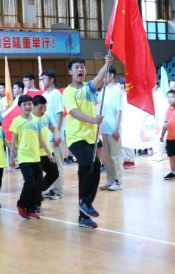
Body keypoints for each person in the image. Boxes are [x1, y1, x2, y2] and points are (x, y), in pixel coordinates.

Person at [63, 55, 113, 229]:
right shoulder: (68, 92)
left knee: (90, 170)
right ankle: (85, 203)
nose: (80, 70)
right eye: (76, 67)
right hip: (76, 137)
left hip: (90, 137)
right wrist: (93, 120)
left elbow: (99, 78)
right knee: (90, 163)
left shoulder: (88, 89)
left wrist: (106, 65)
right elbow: (74, 112)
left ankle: (83, 214)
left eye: (82, 67)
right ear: (70, 71)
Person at [10, 95, 50, 220]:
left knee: (37, 184)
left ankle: (31, 209)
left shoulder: (36, 120)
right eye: (24, 104)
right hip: (24, 157)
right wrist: (11, 158)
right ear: (20, 106)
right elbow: (13, 141)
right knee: (29, 182)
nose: (27, 106)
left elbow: (41, 138)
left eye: (29, 104)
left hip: (36, 157)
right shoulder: (16, 121)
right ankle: (21, 204)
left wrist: (49, 153)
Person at [97, 66, 125, 191]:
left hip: (113, 128)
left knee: (116, 156)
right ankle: (110, 180)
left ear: (112, 75)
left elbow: (119, 110)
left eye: (106, 74)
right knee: (107, 157)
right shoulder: (103, 90)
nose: (104, 76)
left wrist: (117, 128)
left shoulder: (118, 91)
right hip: (105, 127)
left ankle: (118, 182)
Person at [32, 95, 61, 212]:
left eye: (44, 108)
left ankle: (37, 191)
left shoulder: (45, 117)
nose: (43, 110)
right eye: (40, 108)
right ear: (33, 107)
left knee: (54, 173)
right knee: (37, 178)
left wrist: (56, 133)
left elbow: (54, 128)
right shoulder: (30, 119)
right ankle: (36, 203)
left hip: (47, 152)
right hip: (35, 155)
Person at [41, 69, 66, 199]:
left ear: (51, 79)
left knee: (58, 164)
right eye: (42, 79)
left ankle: (58, 191)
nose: (43, 81)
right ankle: (52, 189)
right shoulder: (44, 95)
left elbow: (60, 113)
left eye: (44, 78)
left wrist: (58, 132)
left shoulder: (56, 94)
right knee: (51, 165)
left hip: (55, 135)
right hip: (47, 135)